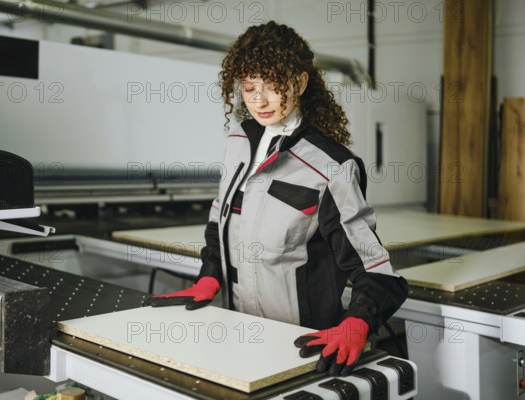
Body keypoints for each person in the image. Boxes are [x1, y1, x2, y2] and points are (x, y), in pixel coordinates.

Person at [143, 20, 408, 377]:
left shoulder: (331, 166)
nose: (259, 100)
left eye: (273, 86)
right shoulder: (237, 142)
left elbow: (376, 271)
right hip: (239, 337)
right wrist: (210, 275)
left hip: (303, 345)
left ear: (299, 82)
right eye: (250, 87)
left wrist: (357, 323)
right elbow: (219, 220)